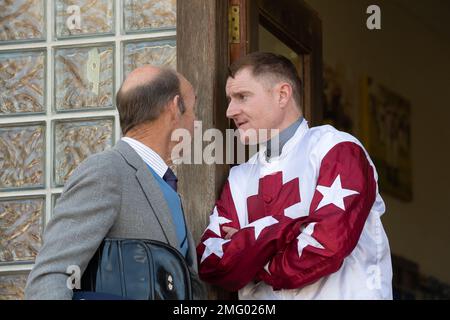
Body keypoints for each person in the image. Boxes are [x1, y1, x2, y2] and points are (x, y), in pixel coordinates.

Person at [197, 52, 393, 299]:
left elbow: (327, 246)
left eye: (242, 97)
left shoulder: (336, 149)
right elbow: (211, 261)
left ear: (282, 94)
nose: (230, 111)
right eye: (230, 99)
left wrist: (252, 254)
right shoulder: (239, 177)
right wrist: (291, 230)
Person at [25, 66, 205, 300]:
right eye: (193, 110)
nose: (195, 121)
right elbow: (50, 278)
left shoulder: (164, 181)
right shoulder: (106, 172)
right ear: (173, 108)